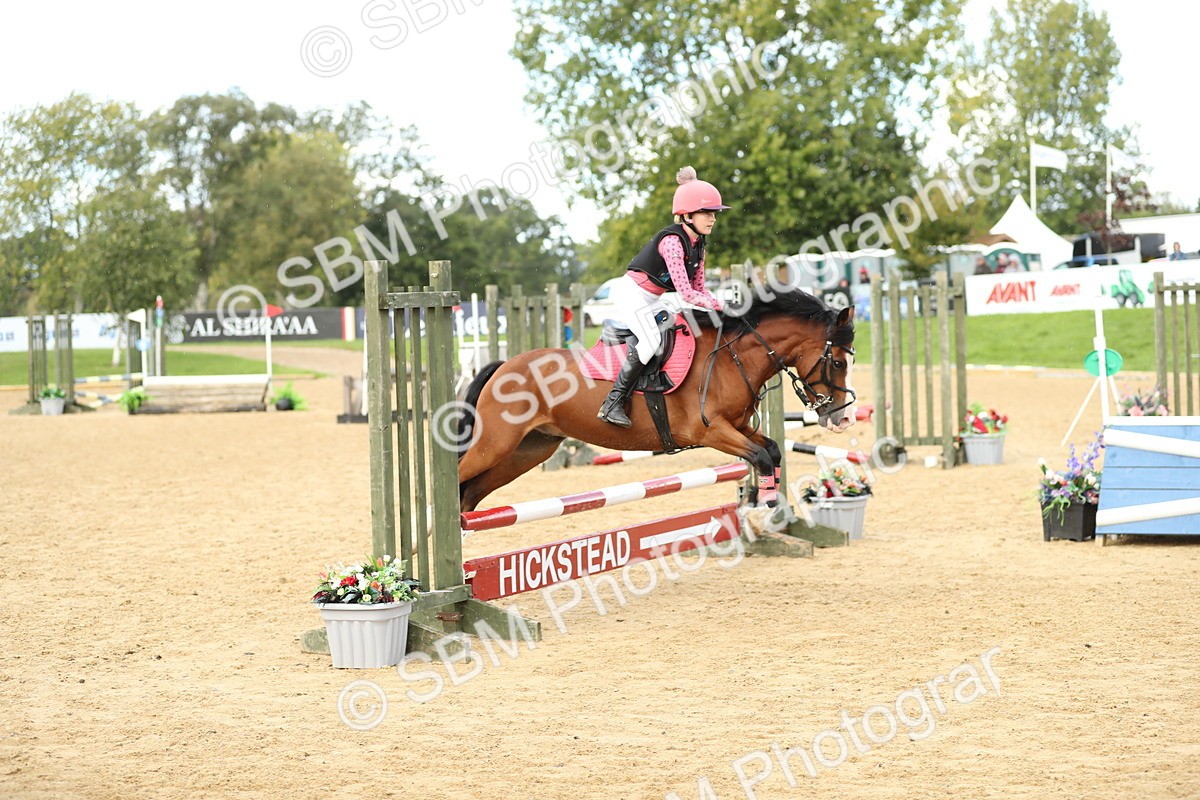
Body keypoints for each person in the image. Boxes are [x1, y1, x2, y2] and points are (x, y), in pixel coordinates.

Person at [597, 166, 729, 427]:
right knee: (650, 340)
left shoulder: (698, 244)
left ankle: (653, 380)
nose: (712, 218)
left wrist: (720, 304)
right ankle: (612, 402)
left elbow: (700, 289)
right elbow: (686, 293)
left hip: (653, 297)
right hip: (631, 295)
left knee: (679, 325)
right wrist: (720, 304)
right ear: (688, 215)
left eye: (714, 213)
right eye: (706, 212)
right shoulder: (672, 242)